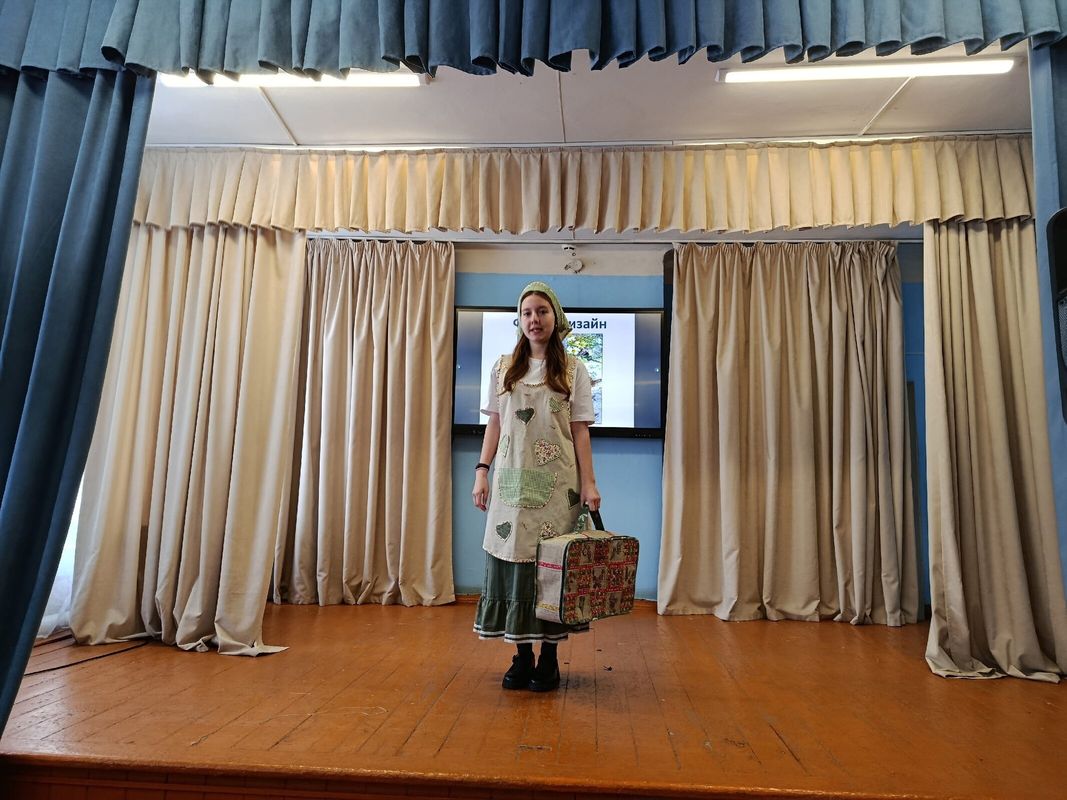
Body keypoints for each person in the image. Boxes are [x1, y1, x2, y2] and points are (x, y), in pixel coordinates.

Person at [471, 282, 601, 692]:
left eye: (541, 311)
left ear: (555, 317)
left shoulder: (575, 370)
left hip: (560, 488)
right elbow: (495, 423)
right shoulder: (503, 368)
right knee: (516, 568)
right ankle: (522, 655)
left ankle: (549, 659)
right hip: (510, 486)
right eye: (526, 312)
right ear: (520, 320)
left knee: (550, 572)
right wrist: (481, 470)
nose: (534, 319)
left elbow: (580, 432)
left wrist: (589, 484)